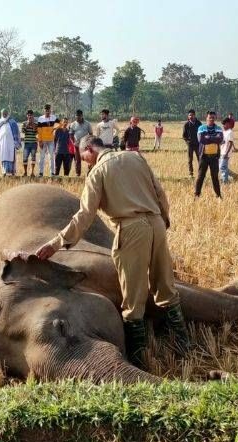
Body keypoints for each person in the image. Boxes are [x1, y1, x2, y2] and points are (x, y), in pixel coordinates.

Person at [35, 137, 189, 368]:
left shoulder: (97, 173)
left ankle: (138, 359)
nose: (83, 160)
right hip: (156, 223)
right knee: (165, 286)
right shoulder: (135, 158)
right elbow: (160, 193)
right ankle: (183, 345)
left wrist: (56, 243)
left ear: (89, 149)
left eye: (82, 155)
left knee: (133, 296)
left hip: (131, 228)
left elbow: (85, 216)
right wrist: (163, 220)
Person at [194, 111, 224, 199]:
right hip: (204, 156)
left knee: (215, 177)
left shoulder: (218, 128)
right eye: (210, 117)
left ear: (215, 118)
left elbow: (220, 139)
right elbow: (201, 140)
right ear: (206, 118)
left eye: (213, 117)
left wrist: (208, 137)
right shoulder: (201, 128)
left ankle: (218, 196)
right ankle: (196, 195)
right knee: (200, 176)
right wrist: (214, 137)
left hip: (214, 157)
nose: (211, 119)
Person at [0, 108, 20, 176]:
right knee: (3, 156)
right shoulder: (0, 121)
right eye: (3, 113)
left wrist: (16, 142)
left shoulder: (12, 121)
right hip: (2, 142)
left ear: (7, 113)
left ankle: (11, 171)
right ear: (1, 114)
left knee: (11, 156)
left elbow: (17, 132)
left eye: (5, 113)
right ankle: (4, 171)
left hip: (11, 143)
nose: (4, 114)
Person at [68, 109, 92, 176]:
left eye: (79, 116)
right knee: (77, 160)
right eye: (76, 116)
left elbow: (91, 134)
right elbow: (71, 135)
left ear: (82, 116)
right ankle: (78, 174)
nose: (77, 118)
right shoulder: (73, 124)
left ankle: (89, 173)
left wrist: (88, 142)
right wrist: (73, 143)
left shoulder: (87, 124)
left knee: (89, 159)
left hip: (86, 145)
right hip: (77, 145)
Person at [36, 104, 57, 177]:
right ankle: (41, 173)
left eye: (49, 110)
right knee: (42, 157)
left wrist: (54, 129)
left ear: (50, 110)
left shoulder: (54, 117)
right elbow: (39, 131)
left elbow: (60, 123)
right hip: (43, 140)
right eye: (46, 110)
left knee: (52, 157)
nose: (47, 112)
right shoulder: (40, 118)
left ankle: (52, 173)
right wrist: (40, 141)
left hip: (51, 140)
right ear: (44, 110)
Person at [182, 109, 202, 177]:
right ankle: (191, 173)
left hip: (197, 145)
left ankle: (201, 173)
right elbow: (184, 136)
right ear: (188, 116)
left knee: (199, 159)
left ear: (194, 115)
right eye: (189, 115)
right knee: (190, 160)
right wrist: (188, 142)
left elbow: (202, 133)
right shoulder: (186, 124)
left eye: (192, 115)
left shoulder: (199, 123)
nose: (191, 116)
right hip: (190, 145)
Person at [219, 117, 237, 184]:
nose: (223, 126)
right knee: (222, 167)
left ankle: (225, 181)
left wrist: (226, 153)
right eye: (223, 124)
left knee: (222, 167)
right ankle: (234, 175)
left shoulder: (230, 132)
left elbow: (231, 143)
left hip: (226, 152)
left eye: (224, 124)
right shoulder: (223, 132)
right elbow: (222, 142)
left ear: (229, 124)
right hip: (221, 151)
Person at [21, 110, 37, 176]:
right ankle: (25, 172)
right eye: (29, 115)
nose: (30, 116)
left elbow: (36, 132)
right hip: (27, 143)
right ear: (27, 116)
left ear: (33, 116)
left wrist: (33, 124)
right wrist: (27, 124)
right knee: (25, 158)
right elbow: (23, 131)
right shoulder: (24, 123)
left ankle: (32, 172)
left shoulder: (36, 123)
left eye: (31, 115)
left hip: (33, 143)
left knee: (33, 158)